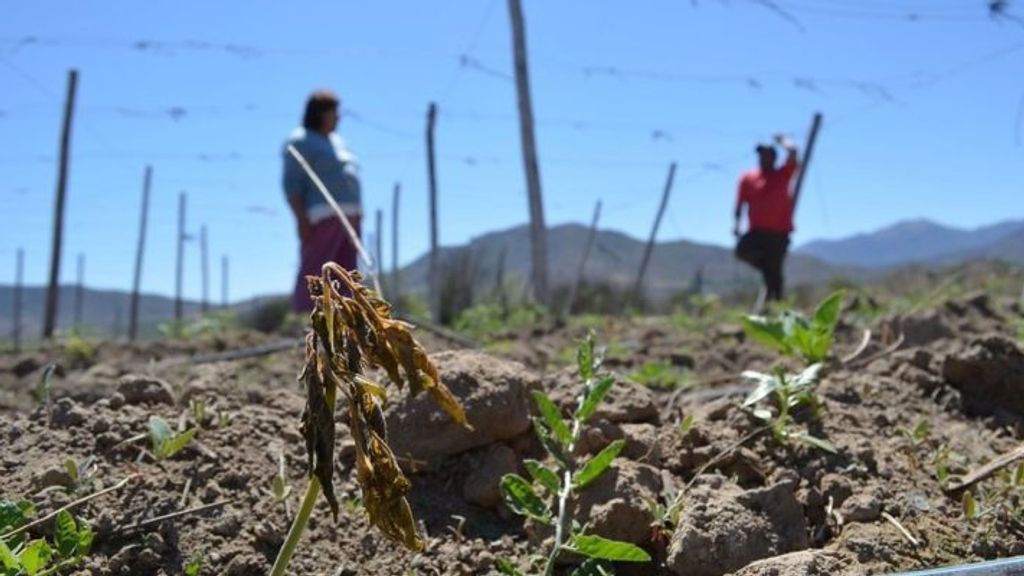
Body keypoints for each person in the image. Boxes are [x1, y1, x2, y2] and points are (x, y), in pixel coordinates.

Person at [282, 90, 362, 312]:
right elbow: (291, 184)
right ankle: (308, 318)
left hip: (350, 216)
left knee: (347, 272)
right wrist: (301, 219)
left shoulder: (338, 142)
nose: (338, 118)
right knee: (317, 269)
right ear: (319, 113)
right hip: (322, 215)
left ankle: (346, 320)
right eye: (333, 112)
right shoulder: (300, 141)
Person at [733, 133, 800, 303]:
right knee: (743, 251)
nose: (764, 158)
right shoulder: (747, 178)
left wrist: (783, 141)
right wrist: (736, 224)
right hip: (756, 231)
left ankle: (776, 307)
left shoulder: (783, 174)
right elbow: (740, 204)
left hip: (779, 232)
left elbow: (793, 152)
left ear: (774, 157)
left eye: (768, 154)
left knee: (775, 274)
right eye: (761, 155)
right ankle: (767, 273)